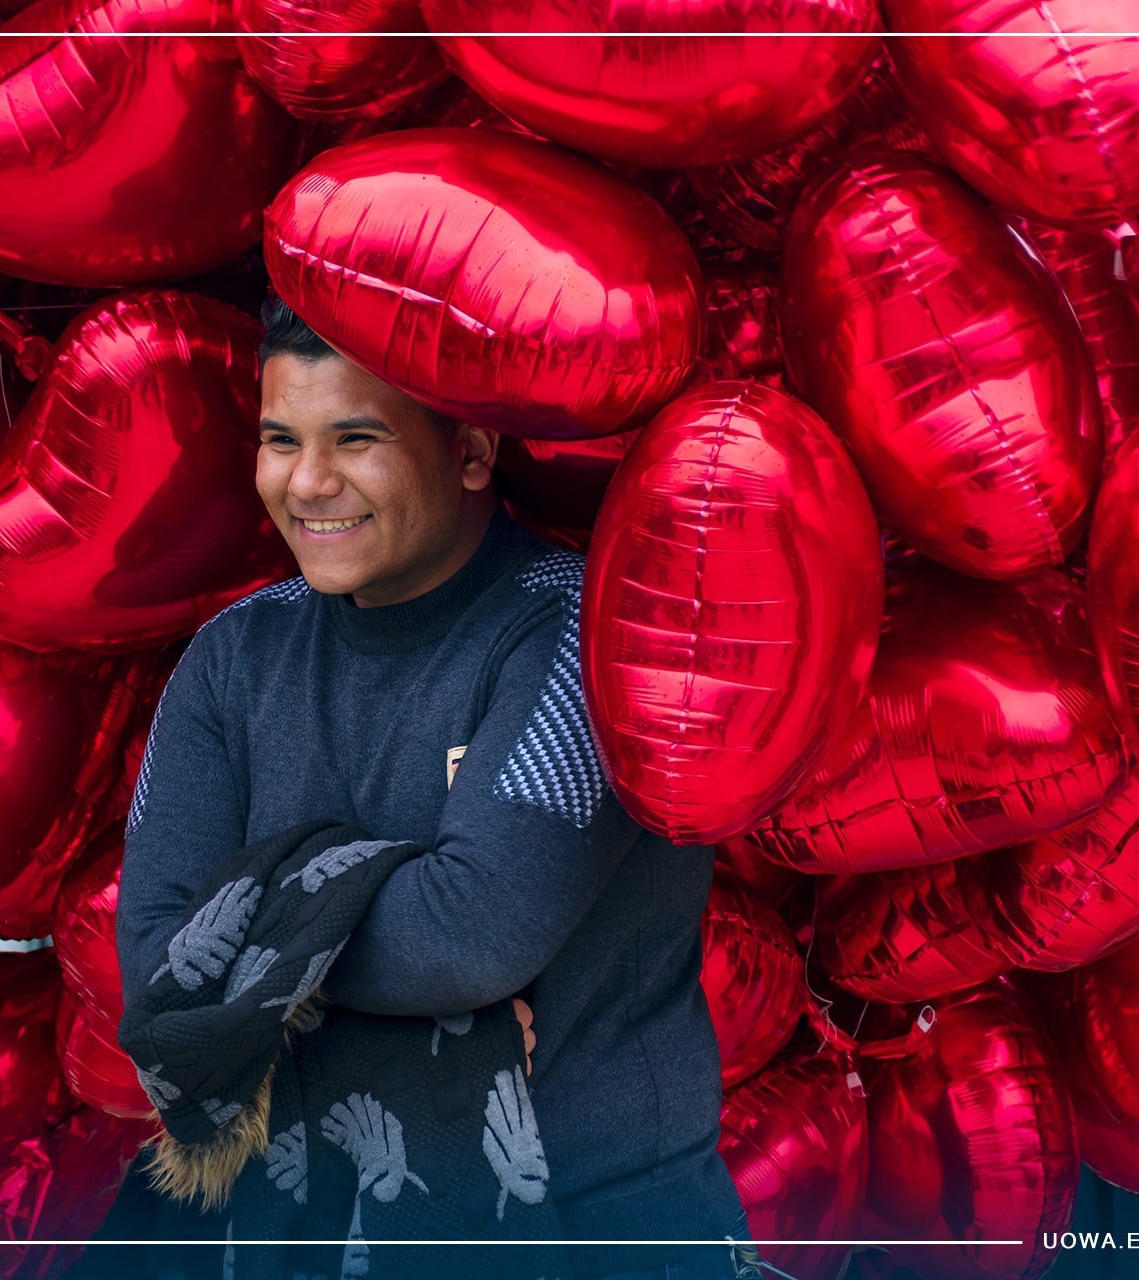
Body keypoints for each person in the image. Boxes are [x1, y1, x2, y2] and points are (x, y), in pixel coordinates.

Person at [117, 298, 752, 1279]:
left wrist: (264, 964)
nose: (308, 482)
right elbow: (159, 964)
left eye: (355, 439)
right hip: (296, 1234)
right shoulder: (231, 657)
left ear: (472, 451)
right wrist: (440, 1013)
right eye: (281, 440)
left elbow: (470, 934)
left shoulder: (585, 637)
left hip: (605, 1229)